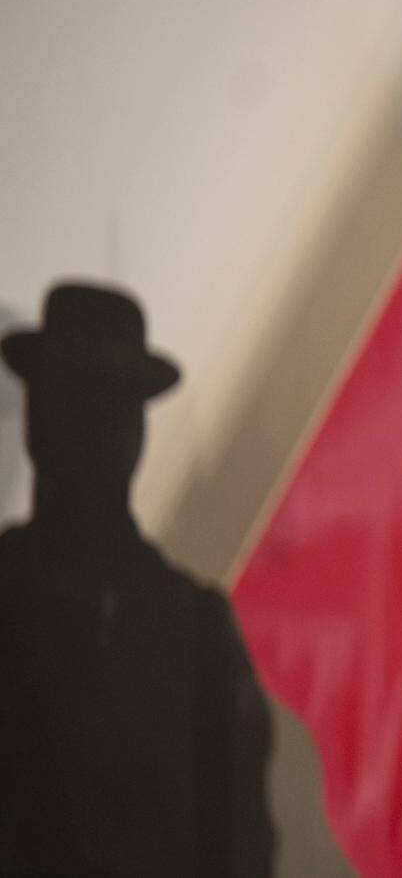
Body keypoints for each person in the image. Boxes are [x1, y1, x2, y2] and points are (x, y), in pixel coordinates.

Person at [0, 281, 274, 876]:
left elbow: (241, 849)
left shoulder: (199, 635)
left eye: (101, 402)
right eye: (73, 396)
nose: (83, 425)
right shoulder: (196, 631)